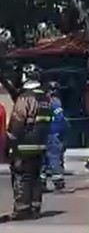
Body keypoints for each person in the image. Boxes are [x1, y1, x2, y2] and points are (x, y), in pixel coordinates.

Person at [5, 74, 53, 220]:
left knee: (21, 176)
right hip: (40, 144)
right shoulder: (46, 99)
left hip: (24, 145)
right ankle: (35, 207)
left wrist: (10, 142)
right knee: (35, 177)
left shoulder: (25, 98)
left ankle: (22, 209)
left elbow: (17, 123)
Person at [42, 82, 67, 192]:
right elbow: (60, 117)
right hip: (53, 133)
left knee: (42, 159)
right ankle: (58, 182)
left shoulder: (40, 101)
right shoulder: (55, 102)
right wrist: (60, 131)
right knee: (54, 157)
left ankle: (41, 182)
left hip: (41, 134)